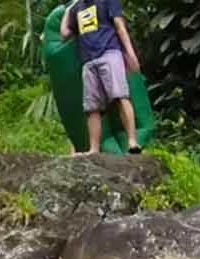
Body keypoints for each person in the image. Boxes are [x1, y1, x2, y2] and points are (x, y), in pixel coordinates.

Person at [60, 0, 142, 155]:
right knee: (92, 107)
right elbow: (64, 34)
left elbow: (119, 26)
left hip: (109, 53)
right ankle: (94, 149)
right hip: (88, 61)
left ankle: (132, 142)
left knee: (120, 96)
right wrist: (67, 10)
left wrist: (130, 53)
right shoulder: (76, 9)